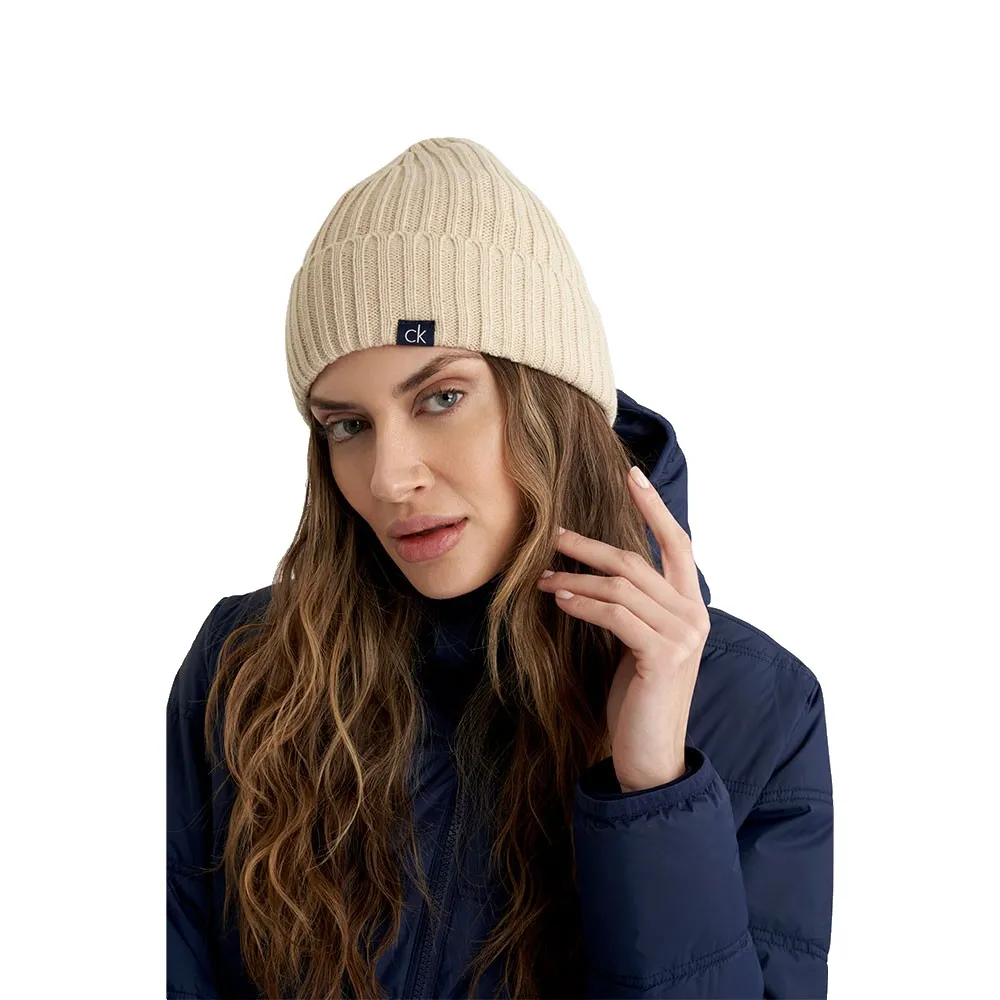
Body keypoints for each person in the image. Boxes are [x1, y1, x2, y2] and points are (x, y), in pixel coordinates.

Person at [167, 136, 833, 999]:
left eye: (441, 397)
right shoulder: (247, 669)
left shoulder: (756, 706)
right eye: (347, 425)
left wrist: (654, 793)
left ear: (551, 397)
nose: (389, 477)